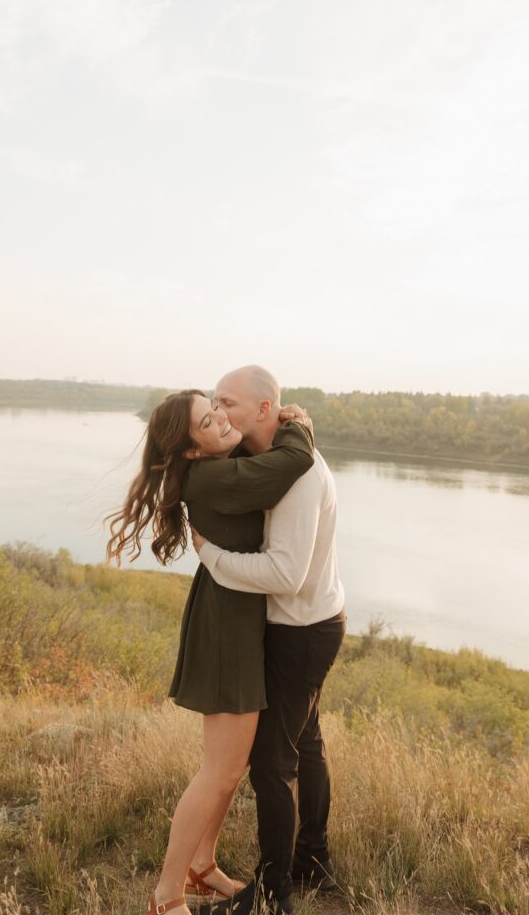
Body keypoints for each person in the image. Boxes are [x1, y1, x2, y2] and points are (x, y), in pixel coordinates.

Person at [103, 388, 315, 915]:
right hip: (227, 630)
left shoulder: (226, 461)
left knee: (232, 762)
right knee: (220, 769)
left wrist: (282, 417)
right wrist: (297, 426)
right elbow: (293, 461)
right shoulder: (213, 477)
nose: (220, 420)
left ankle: (201, 868)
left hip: (236, 621)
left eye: (217, 409)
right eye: (206, 421)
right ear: (192, 449)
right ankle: (166, 895)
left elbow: (268, 461)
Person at [192, 366, 346, 915]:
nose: (218, 409)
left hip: (302, 629)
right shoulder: (275, 455)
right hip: (309, 620)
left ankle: (271, 891)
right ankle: (313, 860)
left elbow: (285, 575)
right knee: (306, 744)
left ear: (263, 409)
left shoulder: (299, 479)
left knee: (271, 764)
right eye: (214, 401)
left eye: (227, 401)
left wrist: (211, 555)